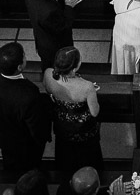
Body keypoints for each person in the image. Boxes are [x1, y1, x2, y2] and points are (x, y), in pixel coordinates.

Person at [0, 42, 50, 176]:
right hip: (22, 142)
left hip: (1, 133)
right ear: (20, 66)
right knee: (29, 164)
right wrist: (42, 139)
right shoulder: (28, 94)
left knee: (9, 158)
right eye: (24, 56)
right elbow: (36, 127)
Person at [43, 46, 103, 175]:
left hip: (62, 124)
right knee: (87, 157)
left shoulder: (48, 74)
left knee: (66, 154)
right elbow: (94, 112)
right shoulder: (87, 86)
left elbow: (48, 91)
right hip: (83, 130)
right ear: (75, 67)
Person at [25, 0, 85, 69]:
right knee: (58, 67)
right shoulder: (47, 13)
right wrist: (69, 6)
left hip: (43, 37)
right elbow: (64, 26)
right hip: (55, 46)